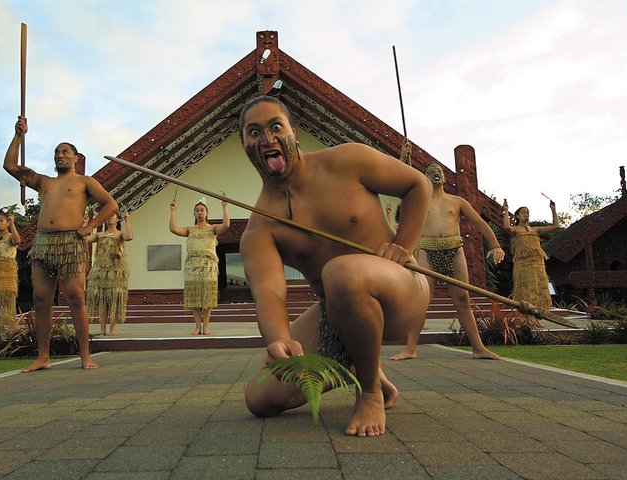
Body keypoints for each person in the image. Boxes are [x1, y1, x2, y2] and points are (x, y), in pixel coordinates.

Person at [239, 96, 432, 437]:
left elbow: (418, 184)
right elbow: (268, 291)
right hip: (338, 309)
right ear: (245, 147)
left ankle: (369, 389)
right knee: (261, 397)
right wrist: (279, 340)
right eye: (254, 132)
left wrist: (403, 246)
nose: (266, 138)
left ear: (293, 134)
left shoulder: (348, 160)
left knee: (340, 272)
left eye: (275, 127)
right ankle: (361, 360)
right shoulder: (259, 229)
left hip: (402, 288)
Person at [3, 116, 118, 372]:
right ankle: (43, 356)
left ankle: (85, 355)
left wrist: (89, 226)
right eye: (56, 152)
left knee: (76, 297)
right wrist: (18, 135)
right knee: (41, 299)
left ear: (75, 158)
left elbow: (111, 205)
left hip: (71, 241)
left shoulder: (85, 182)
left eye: (65, 152)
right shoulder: (44, 181)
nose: (60, 155)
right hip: (44, 242)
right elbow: (10, 165)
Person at [390, 163, 504, 361]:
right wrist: (402, 158)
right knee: (422, 301)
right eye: (431, 172)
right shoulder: (419, 201)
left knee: (462, 299)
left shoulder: (457, 202)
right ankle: (410, 349)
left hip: (454, 249)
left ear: (444, 178)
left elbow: (479, 222)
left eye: (439, 172)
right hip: (427, 250)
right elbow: (404, 182)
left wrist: (496, 245)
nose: (436, 174)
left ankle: (478, 348)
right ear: (425, 177)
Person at [170, 198, 230, 335]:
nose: (200, 213)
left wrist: (224, 206)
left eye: (202, 210)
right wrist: (173, 211)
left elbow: (226, 225)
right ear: (194, 214)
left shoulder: (212, 229)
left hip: (208, 266)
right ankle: (197, 326)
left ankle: (206, 326)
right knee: (194, 297)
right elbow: (173, 229)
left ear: (207, 213)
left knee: (207, 297)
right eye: (197, 211)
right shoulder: (189, 230)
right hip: (193, 266)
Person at [502, 198, 559, 311]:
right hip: (523, 264)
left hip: (538, 263)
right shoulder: (516, 230)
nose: (526, 215)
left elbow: (555, 226)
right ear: (517, 216)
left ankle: (541, 312)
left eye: (527, 213)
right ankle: (527, 315)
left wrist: (553, 210)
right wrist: (505, 211)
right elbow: (507, 227)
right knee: (525, 288)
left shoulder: (535, 230)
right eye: (523, 213)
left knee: (540, 287)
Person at [85, 210, 133, 336]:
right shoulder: (100, 235)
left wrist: (127, 221)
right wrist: (85, 224)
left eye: (113, 216)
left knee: (114, 300)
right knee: (102, 300)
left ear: (117, 220)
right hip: (101, 271)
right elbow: (85, 239)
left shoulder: (120, 234)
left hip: (116, 271)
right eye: (108, 216)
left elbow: (129, 237)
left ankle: (112, 328)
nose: (110, 218)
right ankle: (102, 328)